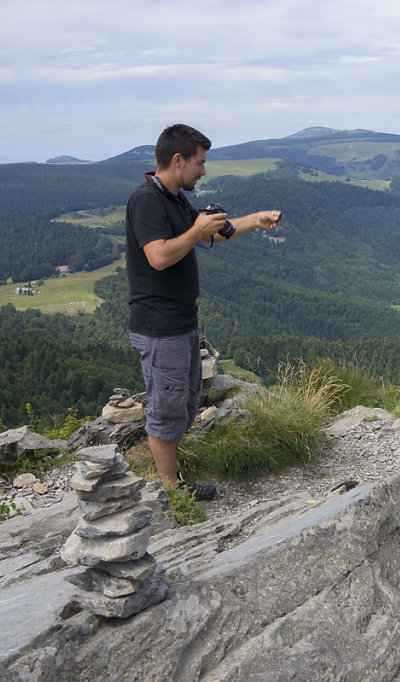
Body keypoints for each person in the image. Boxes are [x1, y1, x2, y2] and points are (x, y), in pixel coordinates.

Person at [126, 124, 283, 500]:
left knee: (183, 402)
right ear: (177, 160)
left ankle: (174, 481)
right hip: (160, 326)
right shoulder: (146, 200)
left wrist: (257, 219)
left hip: (180, 323)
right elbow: (159, 256)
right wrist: (196, 231)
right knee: (166, 409)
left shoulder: (174, 197)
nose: (204, 170)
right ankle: (171, 493)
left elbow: (212, 232)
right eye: (199, 163)